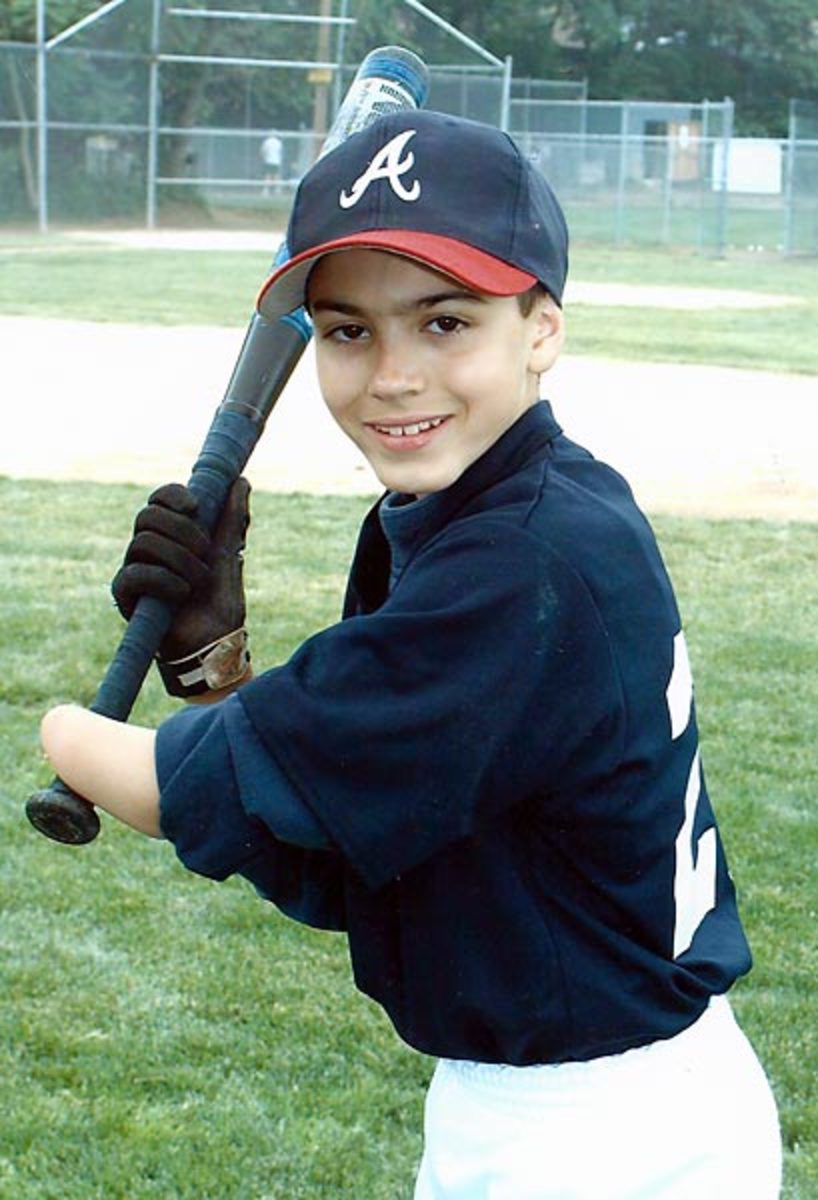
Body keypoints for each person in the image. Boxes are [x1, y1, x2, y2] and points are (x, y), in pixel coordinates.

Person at [40, 110, 782, 1198]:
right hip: (568, 1104)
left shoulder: (517, 563)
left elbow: (188, 790)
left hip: (598, 1136)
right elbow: (349, 828)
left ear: (541, 327)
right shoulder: (502, 512)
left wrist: (61, 730)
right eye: (348, 330)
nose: (392, 375)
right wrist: (210, 663)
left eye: (443, 322)